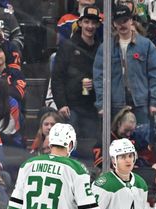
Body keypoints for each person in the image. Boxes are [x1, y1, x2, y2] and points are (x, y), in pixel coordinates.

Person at [93, 4, 156, 130]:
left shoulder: (146, 45)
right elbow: (99, 77)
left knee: (143, 141)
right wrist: (101, 104)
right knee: (116, 144)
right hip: (115, 105)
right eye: (118, 22)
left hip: (141, 104)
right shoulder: (105, 47)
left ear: (131, 21)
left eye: (125, 21)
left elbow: (155, 75)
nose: (122, 25)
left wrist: (154, 102)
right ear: (114, 24)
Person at [51, 6, 101, 155]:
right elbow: (57, 77)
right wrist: (61, 104)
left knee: (93, 143)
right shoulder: (67, 46)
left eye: (93, 23)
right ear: (80, 23)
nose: (90, 26)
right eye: (86, 22)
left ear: (98, 25)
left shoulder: (101, 48)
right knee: (68, 141)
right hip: (71, 106)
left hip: (92, 107)